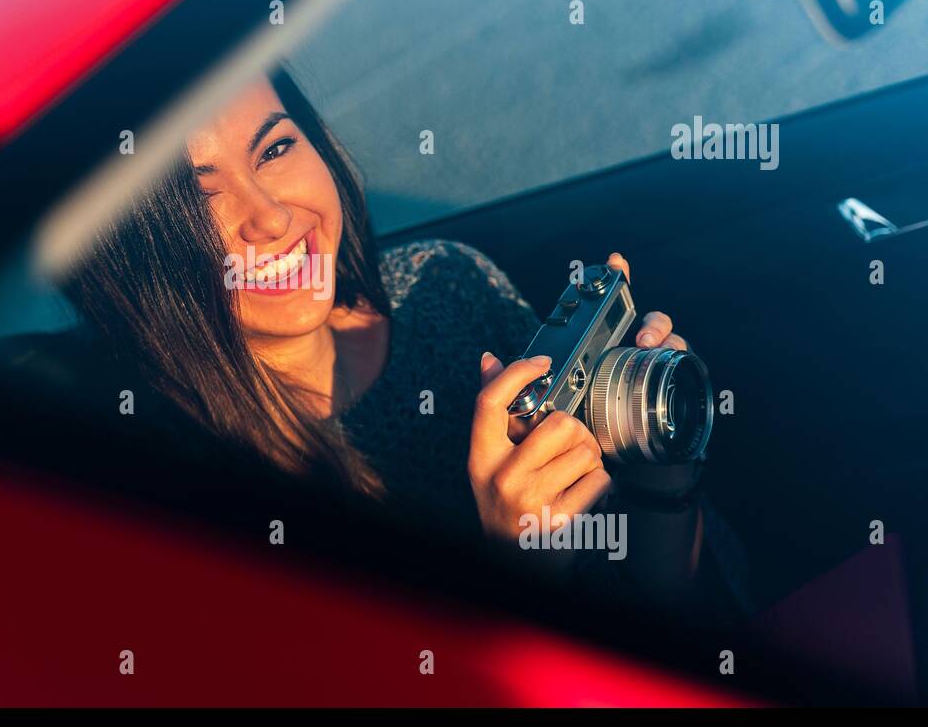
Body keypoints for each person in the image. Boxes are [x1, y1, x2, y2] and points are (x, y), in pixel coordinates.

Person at [63, 66, 739, 603]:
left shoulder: (446, 286)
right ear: (131, 260)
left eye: (274, 147)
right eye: (199, 196)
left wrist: (660, 460)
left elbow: (665, 599)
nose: (269, 216)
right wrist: (514, 566)